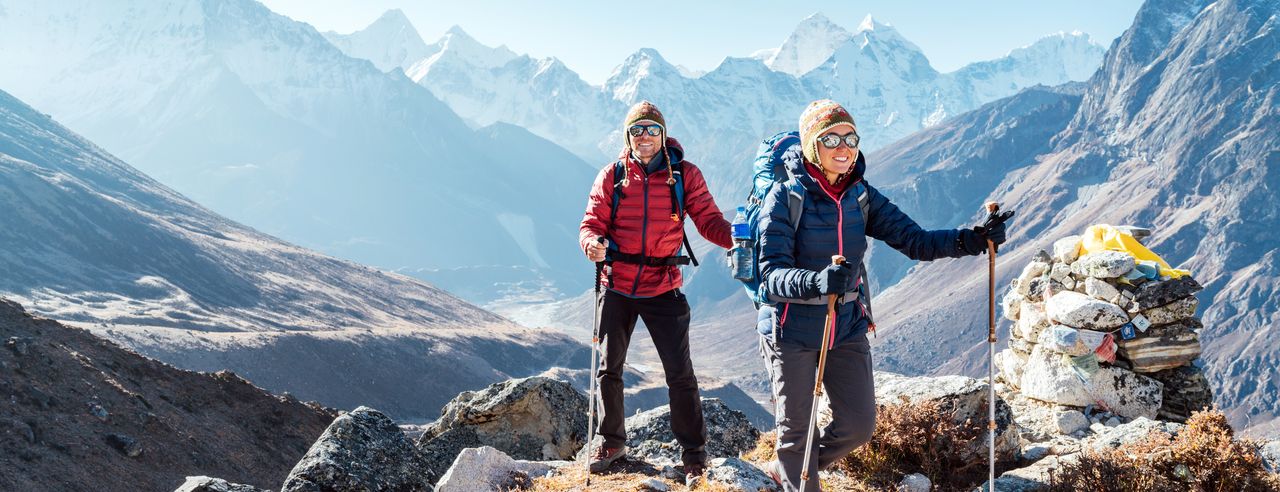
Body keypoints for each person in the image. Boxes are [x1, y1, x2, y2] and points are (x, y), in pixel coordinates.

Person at [756, 99, 1009, 491]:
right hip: (792, 332)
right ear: (811, 146)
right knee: (797, 433)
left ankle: (792, 466)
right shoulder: (785, 198)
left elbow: (916, 241)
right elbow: (770, 276)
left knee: (858, 426)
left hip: (845, 325)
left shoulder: (860, 195)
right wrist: (818, 281)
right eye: (831, 139)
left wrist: (971, 240)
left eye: (850, 138)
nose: (844, 147)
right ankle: (797, 469)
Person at [579, 100, 733, 484]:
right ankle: (611, 441)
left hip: (663, 286)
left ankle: (694, 455)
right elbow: (591, 222)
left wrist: (739, 238)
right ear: (627, 136)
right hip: (616, 284)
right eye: (637, 130)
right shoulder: (612, 176)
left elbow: (709, 220)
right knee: (608, 370)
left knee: (680, 374)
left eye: (651, 129)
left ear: (663, 135)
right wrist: (592, 243)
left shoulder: (684, 175)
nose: (644, 136)